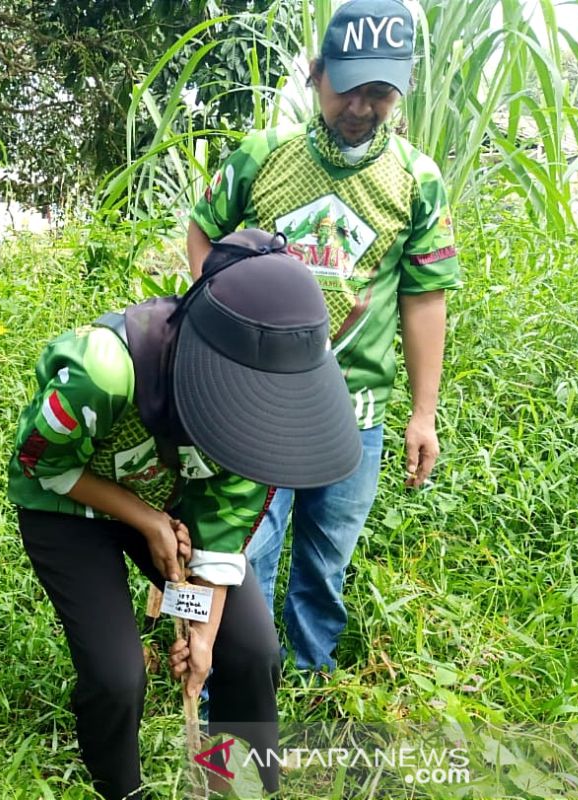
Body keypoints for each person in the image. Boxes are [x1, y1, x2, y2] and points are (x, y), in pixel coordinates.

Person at [8, 229, 363, 799]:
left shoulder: (266, 413)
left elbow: (223, 530)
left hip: (173, 506)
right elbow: (40, 466)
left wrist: (202, 632)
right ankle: (119, 790)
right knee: (118, 677)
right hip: (69, 506)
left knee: (249, 651)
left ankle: (234, 782)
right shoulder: (104, 371)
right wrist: (145, 520)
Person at [186, 0, 461, 671]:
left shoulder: (418, 181)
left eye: (381, 92)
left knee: (327, 554)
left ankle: (312, 679)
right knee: (247, 549)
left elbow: (424, 298)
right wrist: (212, 328)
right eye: (349, 88)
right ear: (317, 75)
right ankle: (239, 683)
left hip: (353, 410)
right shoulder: (262, 157)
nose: (362, 107)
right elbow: (203, 232)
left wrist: (423, 414)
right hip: (257, 404)